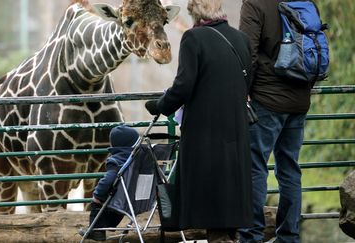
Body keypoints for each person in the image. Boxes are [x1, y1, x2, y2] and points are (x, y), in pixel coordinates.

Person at [145, 0, 253, 241]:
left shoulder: (193, 39)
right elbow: (248, 81)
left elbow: (183, 86)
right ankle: (228, 237)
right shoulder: (240, 39)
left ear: (195, 14)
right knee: (229, 193)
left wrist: (159, 106)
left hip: (206, 134)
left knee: (210, 197)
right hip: (236, 131)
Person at [238, 1, 315, 242]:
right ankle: (289, 236)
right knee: (290, 169)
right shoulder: (304, 2)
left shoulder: (254, 4)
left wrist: (243, 91)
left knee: (255, 166)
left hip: (267, 99)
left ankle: (251, 235)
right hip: (299, 99)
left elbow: (246, 52)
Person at [80, 125, 139, 241]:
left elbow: (108, 180)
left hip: (120, 202)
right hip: (139, 200)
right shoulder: (139, 159)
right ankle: (109, 224)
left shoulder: (116, 161)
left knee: (100, 199)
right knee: (117, 198)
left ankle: (96, 231)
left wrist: (97, 194)